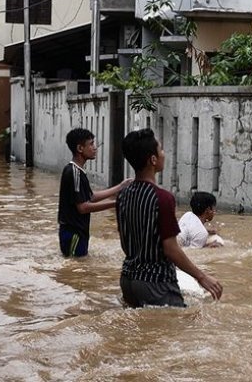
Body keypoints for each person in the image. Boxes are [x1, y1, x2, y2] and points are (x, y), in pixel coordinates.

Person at [116, 128, 222, 308]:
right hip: (156, 283)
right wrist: (202, 277)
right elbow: (171, 249)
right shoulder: (163, 198)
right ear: (153, 159)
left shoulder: (123, 195)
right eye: (161, 150)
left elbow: (126, 242)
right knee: (178, 330)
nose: (164, 154)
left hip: (127, 280)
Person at [57, 128, 130, 257]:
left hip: (79, 232)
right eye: (91, 144)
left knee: (78, 269)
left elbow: (91, 197)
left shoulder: (78, 171)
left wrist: (120, 186)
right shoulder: (74, 172)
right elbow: (83, 208)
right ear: (80, 148)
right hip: (74, 233)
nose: (95, 148)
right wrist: (117, 203)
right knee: (75, 271)